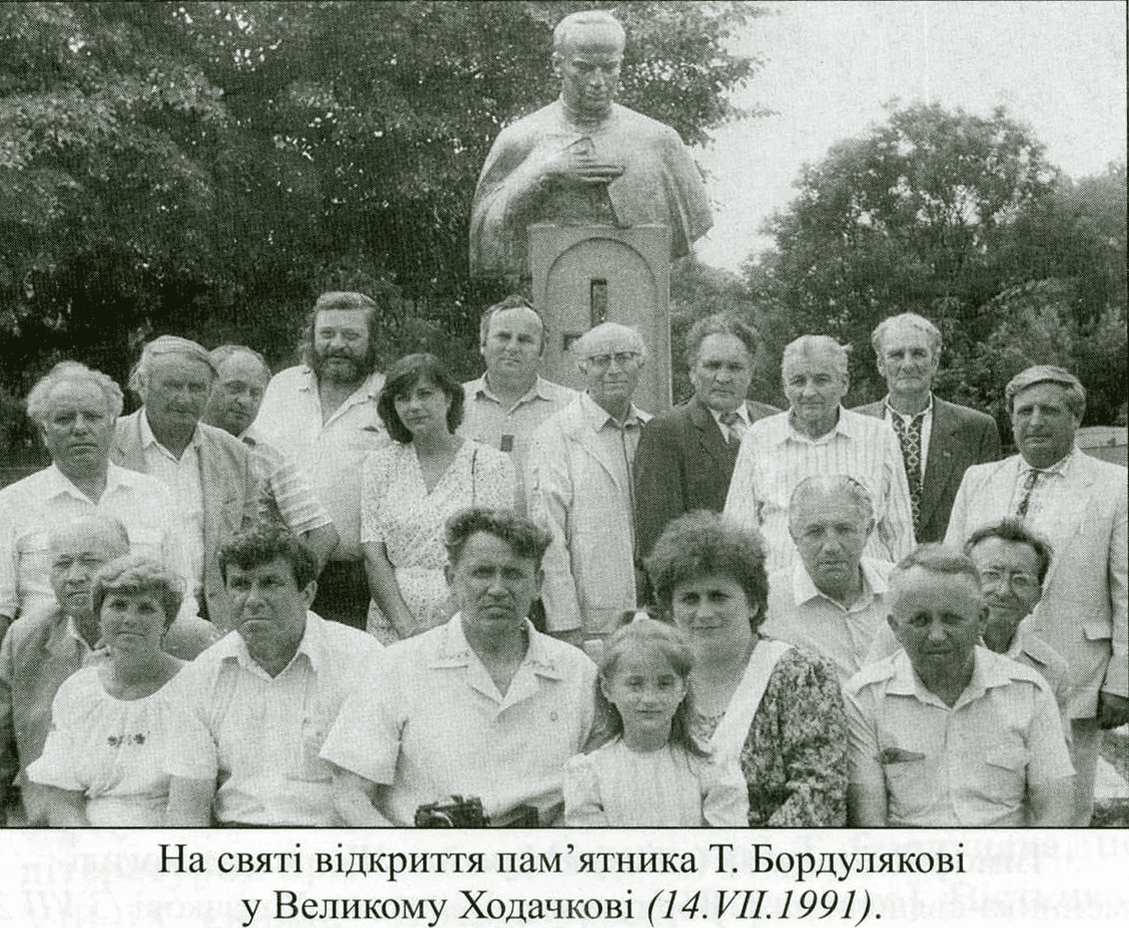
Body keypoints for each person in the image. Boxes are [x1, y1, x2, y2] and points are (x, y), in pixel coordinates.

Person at [323, 507, 596, 827]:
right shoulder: (396, 667)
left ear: (538, 583)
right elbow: (350, 795)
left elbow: (602, 787)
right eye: (482, 573)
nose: (497, 589)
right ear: (451, 579)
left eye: (513, 574)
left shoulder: (577, 672)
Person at [945, 365, 1127, 825]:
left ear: (1076, 417)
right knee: (981, 800)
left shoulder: (1115, 485)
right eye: (1025, 411)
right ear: (1010, 418)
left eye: (1050, 410)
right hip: (979, 665)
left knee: (1064, 807)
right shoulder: (979, 479)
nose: (1036, 421)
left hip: (1073, 669)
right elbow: (951, 572)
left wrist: (1122, 681)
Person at [469, 9, 711, 286]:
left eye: (608, 68)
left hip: (639, 293)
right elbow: (483, 236)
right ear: (557, 65)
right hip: (551, 292)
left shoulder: (660, 140)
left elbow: (691, 226)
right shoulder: (520, 139)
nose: (597, 81)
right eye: (583, 68)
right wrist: (544, 174)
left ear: (620, 65)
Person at [0, 516, 216, 826]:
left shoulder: (193, 640)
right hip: (48, 825)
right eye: (62, 564)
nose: (74, 576)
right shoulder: (25, 638)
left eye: (90, 562)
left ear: (125, 564)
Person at [164, 525, 383, 827]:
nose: (253, 599)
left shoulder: (360, 660)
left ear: (307, 594)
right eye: (240, 585)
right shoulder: (203, 674)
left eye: (270, 583)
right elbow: (188, 810)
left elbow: (361, 800)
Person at [846, 545, 1074, 827]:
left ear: (981, 620)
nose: (937, 635)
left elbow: (1057, 810)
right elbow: (868, 821)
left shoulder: (1029, 691)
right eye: (920, 620)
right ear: (895, 627)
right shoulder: (865, 697)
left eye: (952, 619)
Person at [646, 511, 848, 826]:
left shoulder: (800, 675)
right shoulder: (652, 679)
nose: (704, 612)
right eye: (689, 599)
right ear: (670, 609)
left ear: (753, 603)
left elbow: (819, 797)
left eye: (718, 597)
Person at [0, 362, 194, 636]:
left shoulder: (155, 495)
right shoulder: (10, 503)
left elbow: (182, 597)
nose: (80, 428)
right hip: (48, 653)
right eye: (64, 419)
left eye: (92, 417)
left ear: (113, 426)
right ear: (44, 433)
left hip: (142, 648)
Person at [253, 291, 389, 629]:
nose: (337, 344)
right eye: (327, 333)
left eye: (351, 335)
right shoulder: (282, 386)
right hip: (273, 570)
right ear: (312, 337)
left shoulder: (390, 397)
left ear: (373, 340)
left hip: (352, 580)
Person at [724, 335, 915, 573]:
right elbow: (737, 530)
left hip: (865, 588)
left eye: (821, 380)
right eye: (798, 381)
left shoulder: (878, 436)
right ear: (785, 387)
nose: (809, 392)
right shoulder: (760, 436)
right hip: (782, 587)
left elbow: (900, 532)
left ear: (844, 383)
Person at [27, 556, 193, 826]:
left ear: (167, 621)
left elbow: (192, 808)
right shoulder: (77, 690)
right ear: (99, 617)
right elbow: (61, 798)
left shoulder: (194, 685)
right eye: (118, 605)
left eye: (146, 609)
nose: (130, 619)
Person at [363, 353, 514, 643]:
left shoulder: (488, 463)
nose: (414, 406)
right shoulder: (380, 464)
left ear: (449, 398)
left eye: (425, 394)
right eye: (403, 398)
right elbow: (373, 555)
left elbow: (490, 552)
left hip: (466, 614)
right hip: (392, 621)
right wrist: (406, 628)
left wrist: (442, 623)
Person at [113, 335, 259, 630]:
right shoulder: (108, 444)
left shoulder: (234, 454)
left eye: (196, 388)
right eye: (172, 385)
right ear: (142, 385)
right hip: (128, 614)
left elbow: (248, 544)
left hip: (213, 617)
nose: (184, 398)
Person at [527, 323, 652, 648]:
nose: (614, 369)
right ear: (583, 367)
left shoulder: (654, 430)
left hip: (655, 612)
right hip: (591, 619)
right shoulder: (555, 435)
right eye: (600, 360)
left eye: (624, 357)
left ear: (640, 364)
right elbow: (548, 534)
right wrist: (565, 623)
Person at [563, 615, 748, 826]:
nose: (650, 699)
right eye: (635, 684)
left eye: (664, 684)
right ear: (608, 689)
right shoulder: (589, 774)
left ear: (684, 688)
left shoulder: (711, 765)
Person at [633, 313, 779, 566]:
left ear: (751, 372)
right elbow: (659, 540)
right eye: (712, 366)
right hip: (710, 580)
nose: (723, 377)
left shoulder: (775, 423)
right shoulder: (666, 432)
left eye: (734, 367)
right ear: (692, 371)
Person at [854, 313, 1001, 542]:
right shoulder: (854, 426)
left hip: (947, 560)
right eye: (896, 355)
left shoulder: (977, 429)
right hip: (874, 560)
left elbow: (988, 516)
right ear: (881, 364)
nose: (908, 364)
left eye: (918, 353)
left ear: (934, 362)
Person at [203, 345, 339, 569]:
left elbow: (323, 533)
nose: (245, 400)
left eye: (255, 393)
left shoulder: (268, 455)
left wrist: (293, 585)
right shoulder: (181, 444)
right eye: (235, 388)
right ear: (206, 385)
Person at [763, 476, 893, 687]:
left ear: (868, 530)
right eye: (815, 532)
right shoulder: (767, 603)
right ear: (794, 535)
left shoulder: (901, 587)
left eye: (844, 530)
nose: (831, 547)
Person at [460, 296, 576, 510]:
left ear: (541, 352)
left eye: (524, 340)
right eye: (503, 336)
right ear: (482, 344)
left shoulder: (571, 407)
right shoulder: (453, 403)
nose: (512, 347)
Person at [964, 520, 1071, 714]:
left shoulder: (1052, 670)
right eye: (992, 575)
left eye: (1020, 580)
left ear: (1036, 597)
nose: (1004, 591)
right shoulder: (935, 650)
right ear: (963, 583)